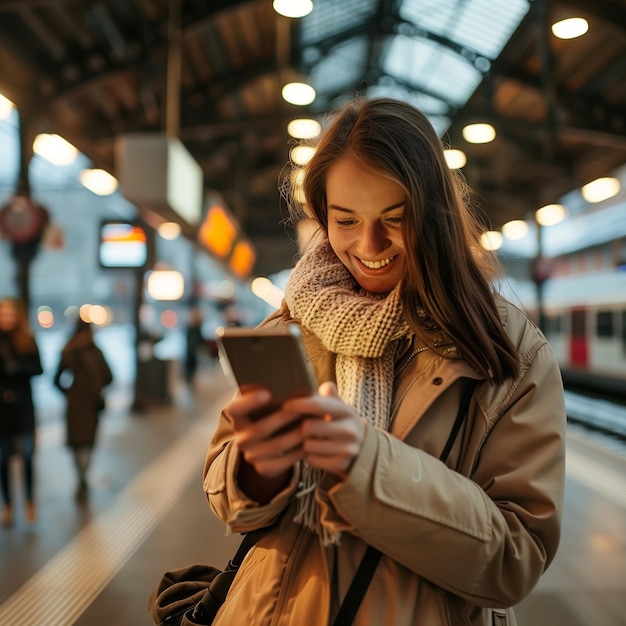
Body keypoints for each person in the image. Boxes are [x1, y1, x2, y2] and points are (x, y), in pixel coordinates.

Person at [202, 97, 566, 625]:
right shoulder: (289, 327)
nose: (369, 245)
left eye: (395, 219)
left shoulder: (508, 349)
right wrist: (258, 469)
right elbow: (225, 495)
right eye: (345, 220)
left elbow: (517, 557)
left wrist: (367, 466)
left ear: (435, 215)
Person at [54, 316, 112, 501]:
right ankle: (83, 479)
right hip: (91, 404)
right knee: (87, 444)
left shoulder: (68, 351)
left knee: (77, 445)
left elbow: (56, 380)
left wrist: (70, 392)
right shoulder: (95, 351)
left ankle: (81, 479)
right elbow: (109, 376)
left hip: (75, 405)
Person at [0, 296, 43, 527]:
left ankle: (29, 501)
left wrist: (18, 368)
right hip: (2, 411)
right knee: (3, 459)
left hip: (24, 408)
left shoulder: (27, 341)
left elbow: (39, 369)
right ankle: (7, 504)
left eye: (10, 313)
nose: (7, 318)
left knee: (27, 456)